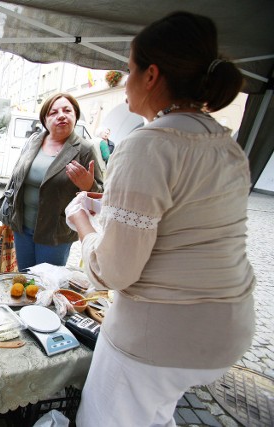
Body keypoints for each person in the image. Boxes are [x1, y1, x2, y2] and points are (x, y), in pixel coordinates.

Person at [67, 12, 255, 427]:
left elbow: (113, 272)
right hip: (227, 330)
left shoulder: (147, 143)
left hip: (160, 337)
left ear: (151, 75)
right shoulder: (225, 144)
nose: (126, 80)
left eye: (129, 69)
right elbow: (183, 219)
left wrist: (81, 218)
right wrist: (110, 205)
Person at [2, 92, 103, 271]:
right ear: (45, 119)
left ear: (75, 116)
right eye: (53, 112)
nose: (61, 115)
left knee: (46, 282)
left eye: (67, 110)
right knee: (24, 277)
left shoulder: (85, 149)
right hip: (22, 227)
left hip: (55, 232)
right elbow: (16, 178)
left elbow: (101, 195)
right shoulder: (34, 141)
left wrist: (88, 186)